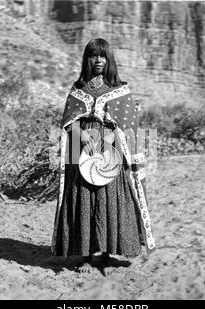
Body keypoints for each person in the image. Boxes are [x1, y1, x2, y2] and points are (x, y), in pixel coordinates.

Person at [51, 38, 155, 276]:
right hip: (81, 153)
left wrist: (109, 138)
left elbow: (129, 123)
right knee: (84, 200)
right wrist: (81, 134)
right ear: (86, 59)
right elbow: (68, 121)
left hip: (111, 151)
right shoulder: (78, 89)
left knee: (108, 199)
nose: (98, 60)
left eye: (103, 56)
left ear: (109, 60)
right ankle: (86, 257)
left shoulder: (120, 90)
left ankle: (107, 255)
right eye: (93, 56)